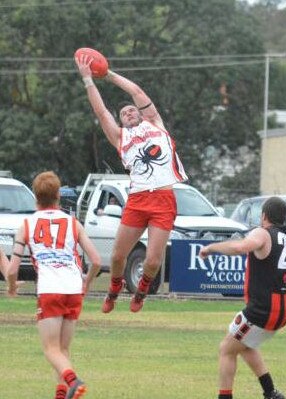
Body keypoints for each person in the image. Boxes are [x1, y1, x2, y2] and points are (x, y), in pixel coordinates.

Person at [75, 53, 187, 313]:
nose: (129, 113)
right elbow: (101, 112)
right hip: (137, 198)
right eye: (124, 113)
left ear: (142, 114)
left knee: (152, 260)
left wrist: (109, 75)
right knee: (116, 256)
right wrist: (88, 80)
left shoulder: (156, 124)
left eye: (132, 110)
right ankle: (114, 288)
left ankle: (142, 290)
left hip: (163, 198)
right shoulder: (120, 137)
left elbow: (136, 91)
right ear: (121, 121)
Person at [6, 171, 101, 399]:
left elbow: (12, 269)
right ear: (58, 195)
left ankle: (73, 381)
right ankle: (62, 395)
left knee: (51, 349)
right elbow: (96, 261)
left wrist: (11, 287)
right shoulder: (73, 223)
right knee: (62, 350)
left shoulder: (27, 224)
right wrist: (86, 284)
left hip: (50, 289)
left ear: (35, 196)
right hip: (73, 288)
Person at [199, 196, 286, 399]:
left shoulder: (262, 233)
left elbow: (240, 247)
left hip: (263, 310)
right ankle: (271, 393)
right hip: (285, 309)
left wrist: (210, 248)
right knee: (244, 344)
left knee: (227, 348)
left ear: (264, 216)